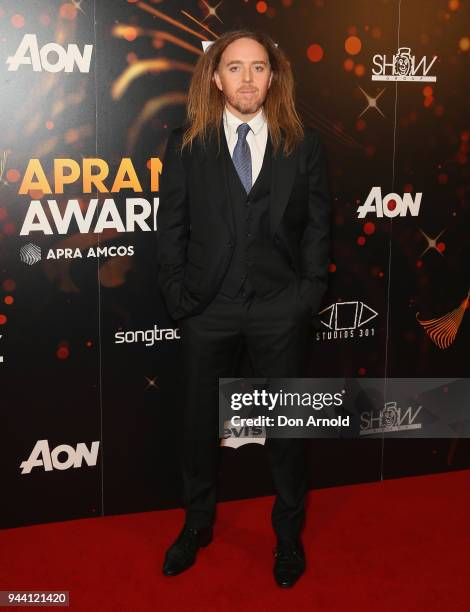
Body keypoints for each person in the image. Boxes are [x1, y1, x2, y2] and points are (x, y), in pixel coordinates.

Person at [156, 28, 331, 588]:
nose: (248, 78)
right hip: (208, 308)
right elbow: (172, 229)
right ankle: (196, 526)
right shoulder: (186, 143)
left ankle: (287, 536)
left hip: (280, 308)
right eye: (235, 67)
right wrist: (180, 298)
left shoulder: (302, 144)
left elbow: (318, 232)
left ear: (272, 77)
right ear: (216, 77)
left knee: (286, 430)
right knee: (198, 426)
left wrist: (306, 298)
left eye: (259, 67)